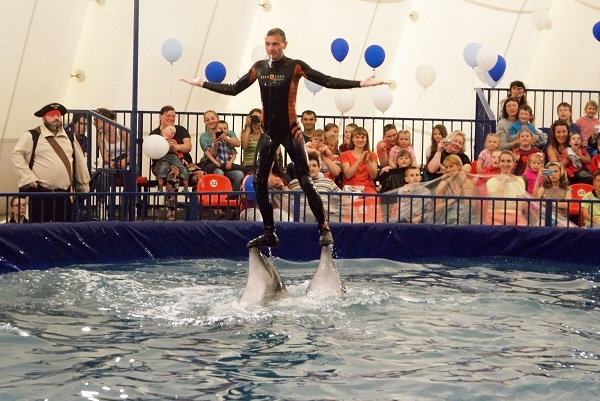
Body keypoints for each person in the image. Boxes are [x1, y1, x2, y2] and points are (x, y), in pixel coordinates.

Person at [181, 27, 386, 248]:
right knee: (258, 181)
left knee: (305, 180)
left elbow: (326, 80)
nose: (271, 48)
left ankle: (324, 228)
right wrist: (202, 84)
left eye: (276, 44)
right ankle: (269, 232)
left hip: (291, 131)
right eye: (268, 44)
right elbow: (233, 89)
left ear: (284, 44)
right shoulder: (259, 68)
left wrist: (360, 84)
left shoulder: (294, 66)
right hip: (269, 133)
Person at [11, 103, 90, 223]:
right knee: (39, 229)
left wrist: (83, 187)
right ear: (43, 118)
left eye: (58, 115)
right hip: (40, 195)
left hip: (63, 196)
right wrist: (28, 177)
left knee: (63, 230)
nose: (56, 118)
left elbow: (80, 164)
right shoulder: (33, 135)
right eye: (52, 115)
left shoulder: (70, 137)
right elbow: (17, 156)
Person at [288, 153, 343, 222]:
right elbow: (286, 200)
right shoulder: (294, 183)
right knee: (310, 214)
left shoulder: (328, 182)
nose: (311, 168)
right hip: (304, 217)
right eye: (308, 166)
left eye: (314, 165)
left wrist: (335, 206)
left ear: (319, 168)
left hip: (327, 215)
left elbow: (344, 197)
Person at [198, 110, 245, 192]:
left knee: (239, 174)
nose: (210, 121)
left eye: (213, 118)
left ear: (217, 118)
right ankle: (220, 196)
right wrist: (215, 146)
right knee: (219, 172)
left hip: (227, 164)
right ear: (205, 122)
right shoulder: (204, 137)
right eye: (207, 120)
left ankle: (233, 195)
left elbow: (237, 144)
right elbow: (209, 153)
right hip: (213, 163)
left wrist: (226, 139)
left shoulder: (228, 133)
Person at [149, 105, 194, 187]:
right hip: (161, 163)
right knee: (173, 172)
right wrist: (167, 149)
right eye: (168, 115)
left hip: (184, 163)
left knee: (199, 174)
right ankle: (170, 195)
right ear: (160, 117)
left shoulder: (181, 129)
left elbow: (188, 147)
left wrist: (176, 147)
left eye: (173, 116)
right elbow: (152, 152)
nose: (171, 118)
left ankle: (195, 195)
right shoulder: (154, 134)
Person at [484, 150, 528, 226]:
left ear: (513, 164)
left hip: (515, 216)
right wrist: (502, 182)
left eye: (508, 161)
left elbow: (521, 205)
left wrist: (507, 205)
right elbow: (496, 204)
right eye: (502, 161)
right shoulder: (491, 182)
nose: (505, 164)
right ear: (499, 163)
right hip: (494, 216)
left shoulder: (520, 181)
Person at [434, 154, 476, 225]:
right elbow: (436, 207)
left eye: (451, 166)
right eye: (446, 167)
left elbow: (470, 204)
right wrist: (451, 201)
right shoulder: (443, 183)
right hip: (447, 217)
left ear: (459, 166)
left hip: (466, 216)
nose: (448, 170)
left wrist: (463, 185)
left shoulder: (468, 182)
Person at [340, 127, 379, 194]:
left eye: (363, 137)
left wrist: (367, 162)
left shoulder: (372, 155)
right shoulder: (345, 154)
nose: (360, 140)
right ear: (352, 139)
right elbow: (347, 175)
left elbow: (373, 176)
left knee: (373, 199)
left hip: (367, 187)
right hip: (350, 187)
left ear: (366, 139)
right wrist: (359, 161)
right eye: (357, 137)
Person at [533, 161, 572, 226]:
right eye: (550, 172)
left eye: (556, 171)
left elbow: (567, 205)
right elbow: (535, 199)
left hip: (561, 218)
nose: (553, 174)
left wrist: (547, 203)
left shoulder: (567, 188)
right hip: (544, 217)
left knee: (561, 226)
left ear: (561, 172)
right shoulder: (544, 187)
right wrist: (538, 178)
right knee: (540, 225)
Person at [156, 125, 190, 193]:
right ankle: (160, 188)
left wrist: (182, 158)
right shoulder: (160, 141)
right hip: (164, 157)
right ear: (163, 131)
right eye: (170, 129)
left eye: (174, 132)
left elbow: (179, 151)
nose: (172, 132)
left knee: (183, 170)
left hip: (174, 157)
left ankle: (185, 188)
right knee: (161, 170)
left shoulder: (174, 141)